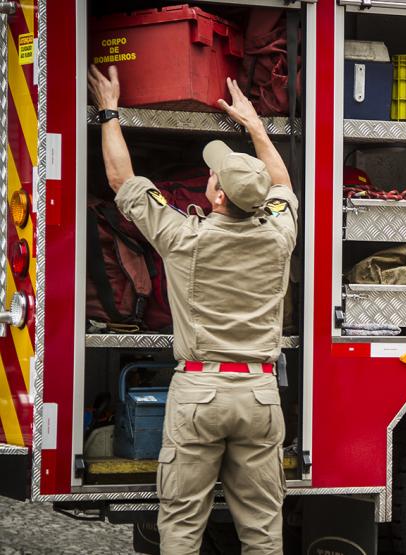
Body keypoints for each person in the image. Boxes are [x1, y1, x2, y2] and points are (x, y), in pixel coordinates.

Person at [88, 65, 297, 554]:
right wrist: (255, 125)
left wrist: (110, 111)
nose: (209, 175)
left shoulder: (184, 237)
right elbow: (283, 183)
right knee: (264, 529)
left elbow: (122, 180)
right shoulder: (279, 235)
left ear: (218, 195)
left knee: (182, 522)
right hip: (260, 395)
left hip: (200, 391)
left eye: (214, 175)